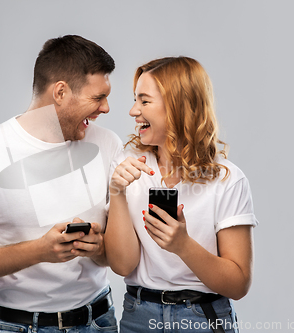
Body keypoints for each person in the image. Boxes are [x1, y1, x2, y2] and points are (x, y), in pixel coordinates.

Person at [0, 35, 122, 333]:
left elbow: (117, 255)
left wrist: (98, 246)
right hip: (23, 327)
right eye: (97, 98)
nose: (106, 109)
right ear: (61, 92)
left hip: (100, 321)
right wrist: (40, 251)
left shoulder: (108, 145)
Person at [105, 57, 258, 333]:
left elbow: (238, 284)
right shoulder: (127, 165)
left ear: (177, 106)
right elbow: (122, 265)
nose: (132, 111)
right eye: (134, 99)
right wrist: (116, 192)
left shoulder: (228, 180)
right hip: (139, 317)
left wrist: (183, 245)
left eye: (144, 101)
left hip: (203, 318)